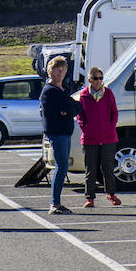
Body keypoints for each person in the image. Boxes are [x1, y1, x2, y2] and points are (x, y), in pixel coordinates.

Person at [39, 56, 82, 215]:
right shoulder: (50, 91)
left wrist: (69, 110)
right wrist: (69, 109)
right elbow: (69, 109)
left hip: (65, 132)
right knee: (61, 166)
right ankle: (54, 204)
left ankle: (56, 203)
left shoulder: (61, 89)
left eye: (63, 70)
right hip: (57, 133)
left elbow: (75, 108)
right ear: (50, 72)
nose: (60, 73)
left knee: (63, 166)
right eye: (57, 70)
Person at [76, 65, 122, 208]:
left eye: (101, 78)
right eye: (95, 78)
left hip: (108, 137)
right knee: (91, 168)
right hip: (90, 139)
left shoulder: (108, 93)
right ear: (89, 79)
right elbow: (80, 116)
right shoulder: (83, 96)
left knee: (108, 167)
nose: (98, 81)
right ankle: (90, 197)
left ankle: (111, 193)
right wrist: (87, 129)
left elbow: (114, 112)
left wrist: (110, 126)